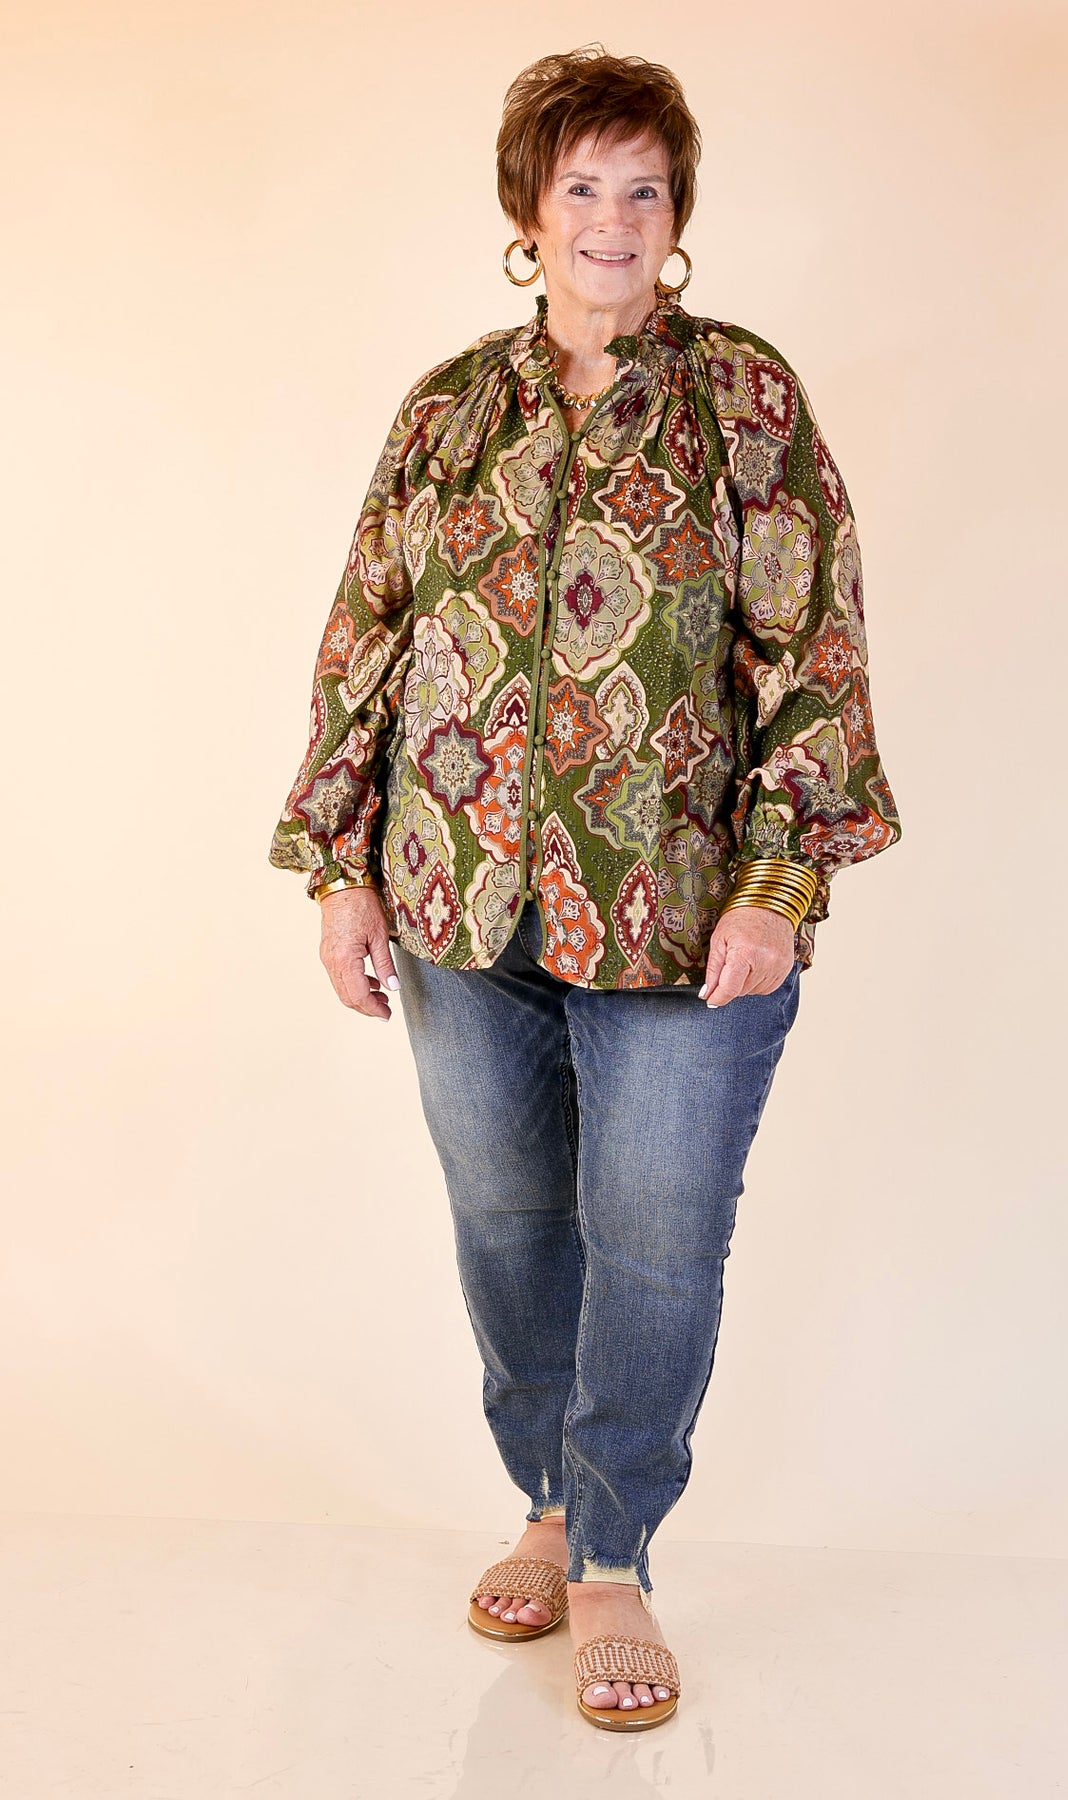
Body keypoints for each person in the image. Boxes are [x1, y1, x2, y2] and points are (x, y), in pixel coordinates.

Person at [268, 44, 902, 1732]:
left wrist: (777, 880)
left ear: (677, 214)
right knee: (504, 1220)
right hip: (455, 898)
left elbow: (814, 646)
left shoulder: (741, 398)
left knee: (660, 1238)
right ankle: (547, 1500)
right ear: (527, 210)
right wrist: (339, 866)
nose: (612, 219)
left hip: (683, 913)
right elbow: (368, 635)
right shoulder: (448, 409)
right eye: (581, 187)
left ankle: (614, 1550)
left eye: (644, 188)